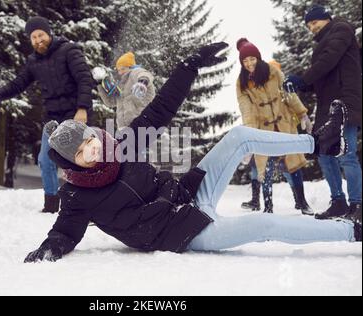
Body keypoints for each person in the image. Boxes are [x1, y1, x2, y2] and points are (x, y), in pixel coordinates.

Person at [22, 43, 361, 263]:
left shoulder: (121, 146)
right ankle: (352, 232)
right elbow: (65, 230)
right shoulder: (77, 195)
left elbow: (161, 109)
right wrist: (51, 248)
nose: (92, 151)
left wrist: (188, 66)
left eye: (88, 140)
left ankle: (320, 144)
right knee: (265, 223)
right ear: (71, 164)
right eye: (81, 153)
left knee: (239, 135)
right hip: (180, 233)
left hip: (188, 193)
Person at [0, 16, 94, 213]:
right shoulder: (33, 62)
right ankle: (51, 204)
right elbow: (18, 84)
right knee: (45, 159)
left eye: (41, 35)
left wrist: (82, 108)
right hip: (52, 118)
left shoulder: (69, 50)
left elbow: (85, 79)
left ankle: (89, 205)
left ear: (49, 33)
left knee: (78, 160)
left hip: (74, 115)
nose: (38, 40)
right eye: (33, 37)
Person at [283, 5, 362, 220]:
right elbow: (324, 75)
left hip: (344, 102)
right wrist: (302, 85)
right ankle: (338, 202)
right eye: (308, 25)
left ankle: (358, 205)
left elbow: (329, 60)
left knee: (347, 155)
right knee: (325, 155)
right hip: (328, 107)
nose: (312, 28)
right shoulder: (325, 41)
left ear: (326, 18)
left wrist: (304, 78)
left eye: (315, 22)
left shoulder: (341, 29)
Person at [236, 39, 314, 215]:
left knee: (294, 166)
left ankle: (302, 203)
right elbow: (246, 110)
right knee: (266, 169)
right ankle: (268, 207)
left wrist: (302, 114)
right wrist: (250, 134)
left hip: (285, 125)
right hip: (264, 130)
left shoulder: (274, 72)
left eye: (252, 59)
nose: (249, 64)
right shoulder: (241, 83)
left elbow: (289, 94)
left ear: (258, 57)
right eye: (245, 61)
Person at [94, 52, 156, 130]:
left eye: (123, 69)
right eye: (119, 70)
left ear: (130, 67)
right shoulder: (120, 86)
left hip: (140, 122)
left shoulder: (134, 72)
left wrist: (142, 82)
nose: (120, 72)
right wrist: (100, 85)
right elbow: (110, 102)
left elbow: (144, 74)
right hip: (123, 127)